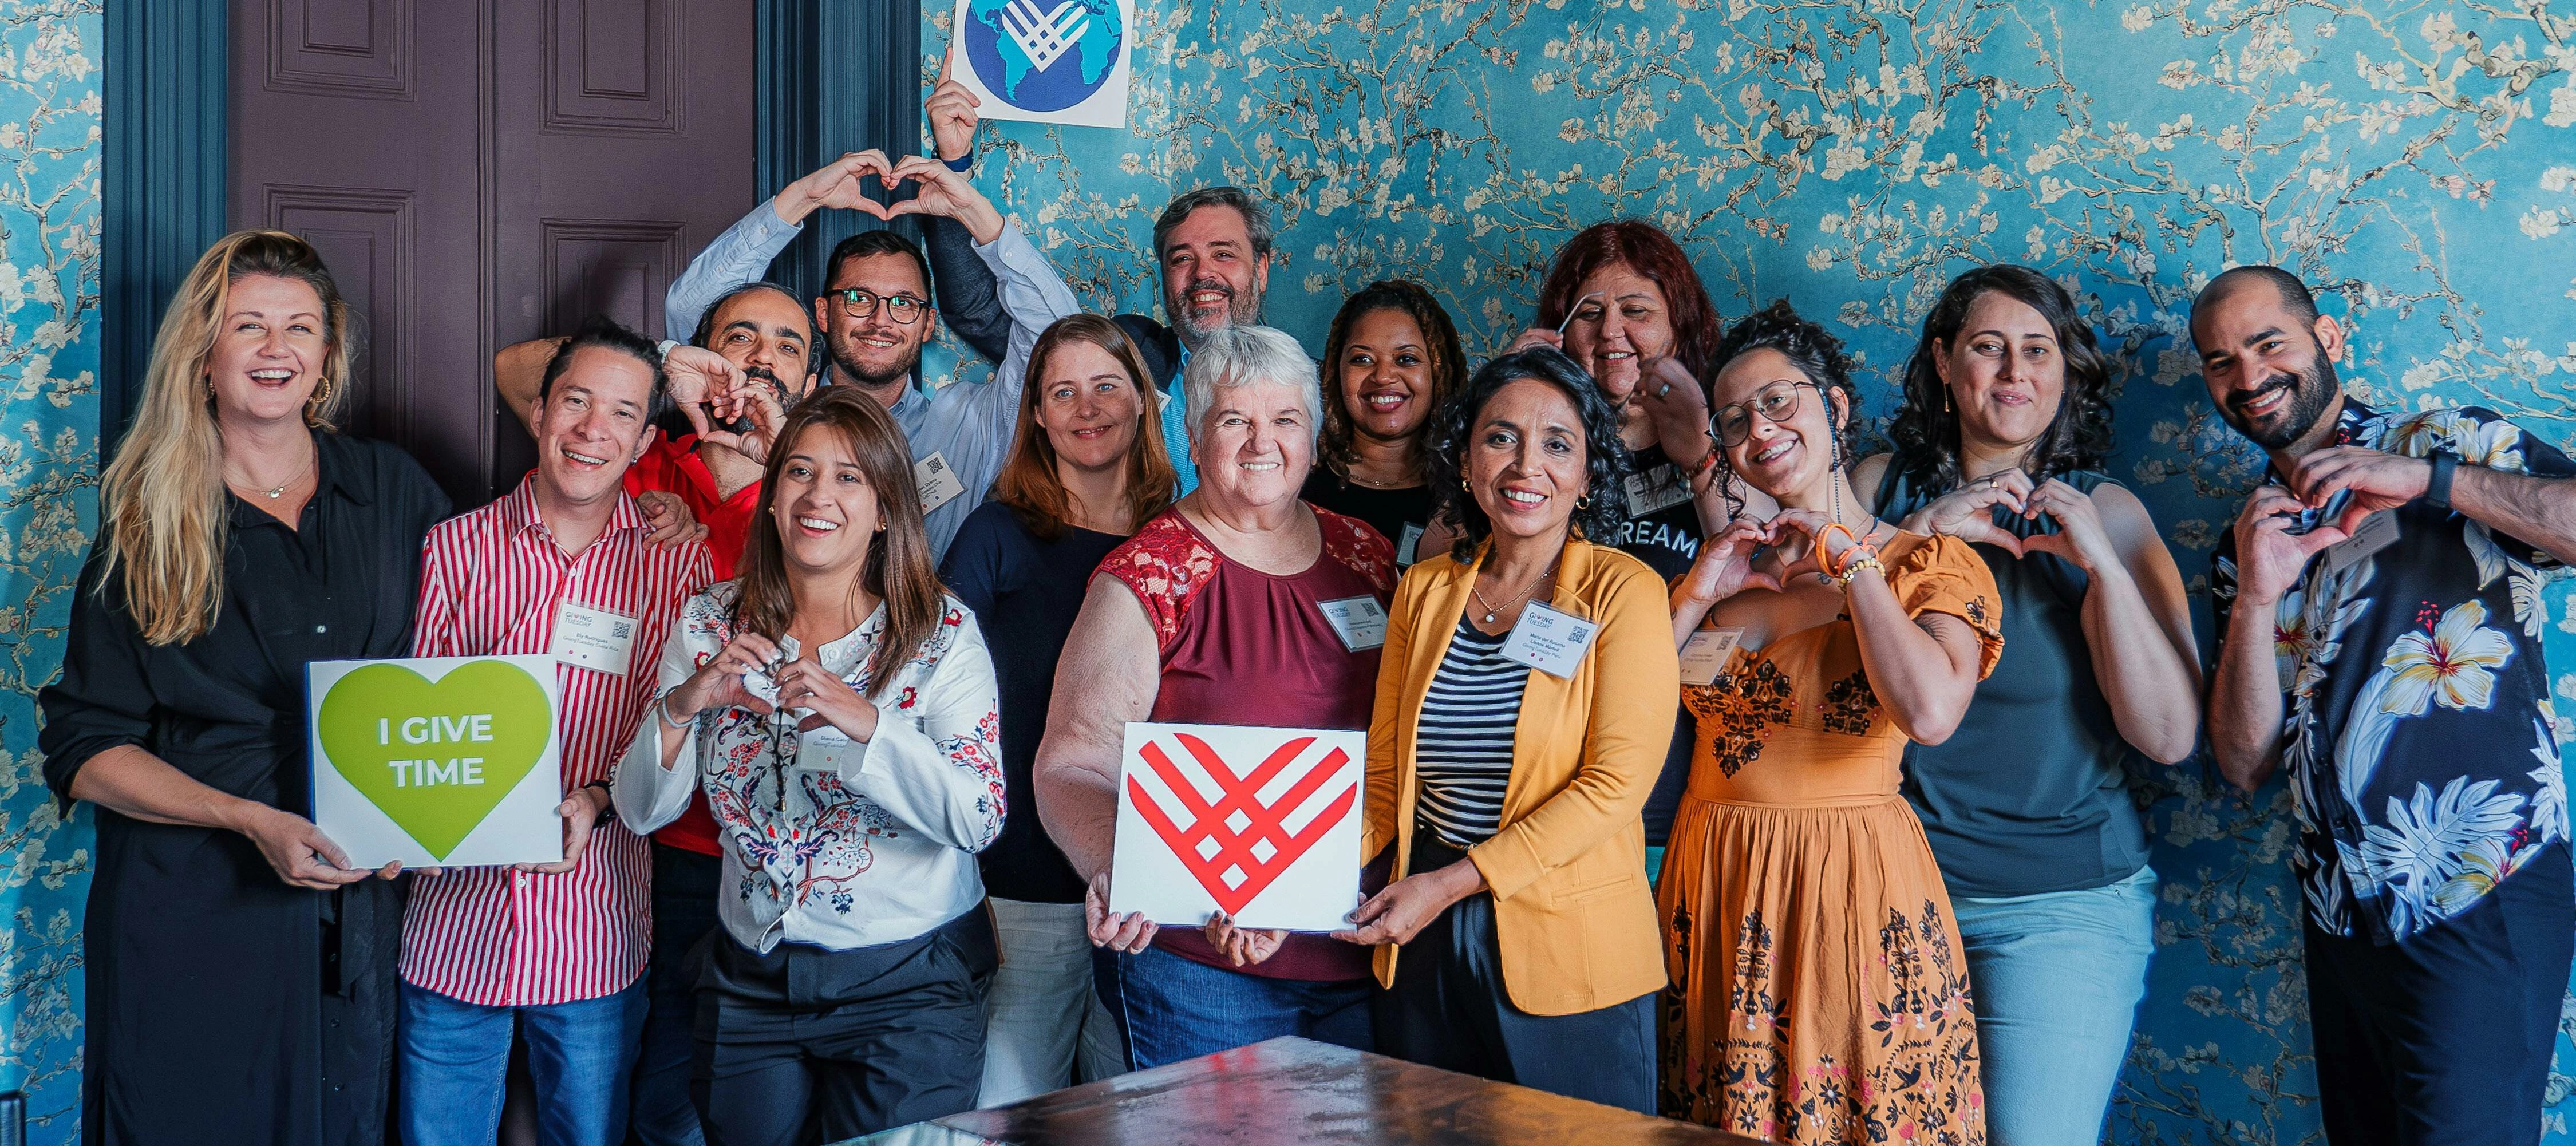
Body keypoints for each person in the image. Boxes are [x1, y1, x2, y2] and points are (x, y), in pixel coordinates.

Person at [36, 230, 452, 1144]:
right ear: (206, 355)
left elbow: (465, 668)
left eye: (300, 327)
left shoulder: (396, 491)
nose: (277, 349)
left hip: (360, 910)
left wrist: (420, 817)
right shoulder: (146, 523)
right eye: (249, 326)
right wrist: (248, 819)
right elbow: (84, 748)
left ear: (328, 356)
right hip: (194, 911)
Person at [2196, 266, 2575, 1145]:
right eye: (2221, 362)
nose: (2248, 377)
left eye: (2268, 343)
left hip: (2481, 884)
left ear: (2328, 339)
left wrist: (2427, 480)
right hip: (2339, 915)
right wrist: (2255, 598)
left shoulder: (2447, 438)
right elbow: (2247, 762)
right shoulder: (2244, 538)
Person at [1847, 264, 2199, 1145]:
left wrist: (2102, 569)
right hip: (1889, 890)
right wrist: (1922, 530)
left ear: (2064, 371)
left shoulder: (2109, 512)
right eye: (1987, 347)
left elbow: (2167, 736)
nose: (2014, 371)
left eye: (2037, 350)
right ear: (1943, 362)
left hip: (2062, 907)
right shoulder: (1879, 490)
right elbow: (1802, 635)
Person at [613, 385, 1006, 1144]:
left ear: (888, 506)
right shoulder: (707, 621)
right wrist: (684, 701)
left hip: (909, 984)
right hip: (749, 975)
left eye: (850, 476)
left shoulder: (941, 633)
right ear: (771, 494)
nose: (818, 495)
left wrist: (869, 724)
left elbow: (978, 815)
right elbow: (639, 810)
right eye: (799, 471)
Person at [1660, 301, 2001, 1142]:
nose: (1758, 428)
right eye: (1735, 419)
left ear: (1837, 406)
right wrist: (1696, 593)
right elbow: (1618, 715)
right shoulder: (1731, 578)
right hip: (1713, 885)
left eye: (1779, 400)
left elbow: (1929, 711)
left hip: (1845, 887)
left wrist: (1851, 563)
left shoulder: (1926, 561)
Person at [1034, 326, 1394, 1069]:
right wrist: (1115, 867)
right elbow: (1070, 765)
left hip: (1364, 949)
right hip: (1202, 962)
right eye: (1235, 420)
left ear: (1315, 437)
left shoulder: (1369, 556)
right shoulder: (1149, 573)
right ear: (1194, 440)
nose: (1262, 442)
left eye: (1285, 420)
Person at [398, 319, 716, 1146]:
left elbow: (674, 721)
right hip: (454, 927)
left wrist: (600, 795)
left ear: (646, 437)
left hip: (596, 929)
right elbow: (416, 725)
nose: (592, 430)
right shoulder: (453, 549)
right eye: (576, 401)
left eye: (620, 415)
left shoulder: (675, 562)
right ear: (539, 411)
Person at [1334, 348, 1676, 1111]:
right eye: (1501, 437)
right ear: (1465, 458)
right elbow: (1386, 780)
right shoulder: (1424, 591)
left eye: (1558, 443)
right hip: (1420, 940)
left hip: (1567, 944)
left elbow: (1615, 786)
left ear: (1588, 474)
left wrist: (1455, 882)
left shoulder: (1623, 591)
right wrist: (1281, 881)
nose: (1527, 463)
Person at [496, 292, 797, 1146]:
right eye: (740, 338)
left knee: (765, 1099)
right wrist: (665, 363)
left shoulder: (816, 484)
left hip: (779, 852)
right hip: (663, 843)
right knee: (657, 1098)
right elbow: (514, 369)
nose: (759, 358)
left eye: (785, 345)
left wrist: (768, 471)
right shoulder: (640, 454)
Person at [938, 314, 1175, 1104]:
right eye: (1062, 390)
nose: (1087, 405)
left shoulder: (1178, 539)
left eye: (1107, 384)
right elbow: (927, 685)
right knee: (1009, 1105)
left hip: (1143, 885)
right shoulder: (997, 534)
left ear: (1144, 400)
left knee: (1130, 1111)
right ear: (1036, 414)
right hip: (1019, 882)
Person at [661, 149, 1083, 559]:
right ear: (824, 313)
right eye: (860, 298)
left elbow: (1064, 343)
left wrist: (974, 212)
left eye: (904, 304)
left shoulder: (969, 426)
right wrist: (804, 198)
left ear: (927, 324)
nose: (881, 320)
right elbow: (695, 311)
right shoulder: (779, 400)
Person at [925, 65, 1273, 496]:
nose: (1203, 273)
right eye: (1181, 258)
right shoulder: (1123, 351)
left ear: (1261, 267)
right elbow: (979, 311)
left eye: (1224, 254)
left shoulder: (1313, 385)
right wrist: (954, 168)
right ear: (1163, 274)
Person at [1507, 220, 1737, 861]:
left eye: (1636, 310)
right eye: (1589, 314)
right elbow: (1452, 558)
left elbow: (1752, 565)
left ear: (1678, 326)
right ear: (1559, 332)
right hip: (1543, 772)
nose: (1612, 333)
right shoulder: (1534, 451)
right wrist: (1502, 401)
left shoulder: (1730, 431)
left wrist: (1699, 451)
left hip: (1683, 782)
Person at [1299, 280, 1467, 566]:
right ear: (1335, 371)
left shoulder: (1466, 496)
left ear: (1437, 372)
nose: (1383, 376)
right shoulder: (1298, 482)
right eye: (1363, 359)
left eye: (1406, 359)